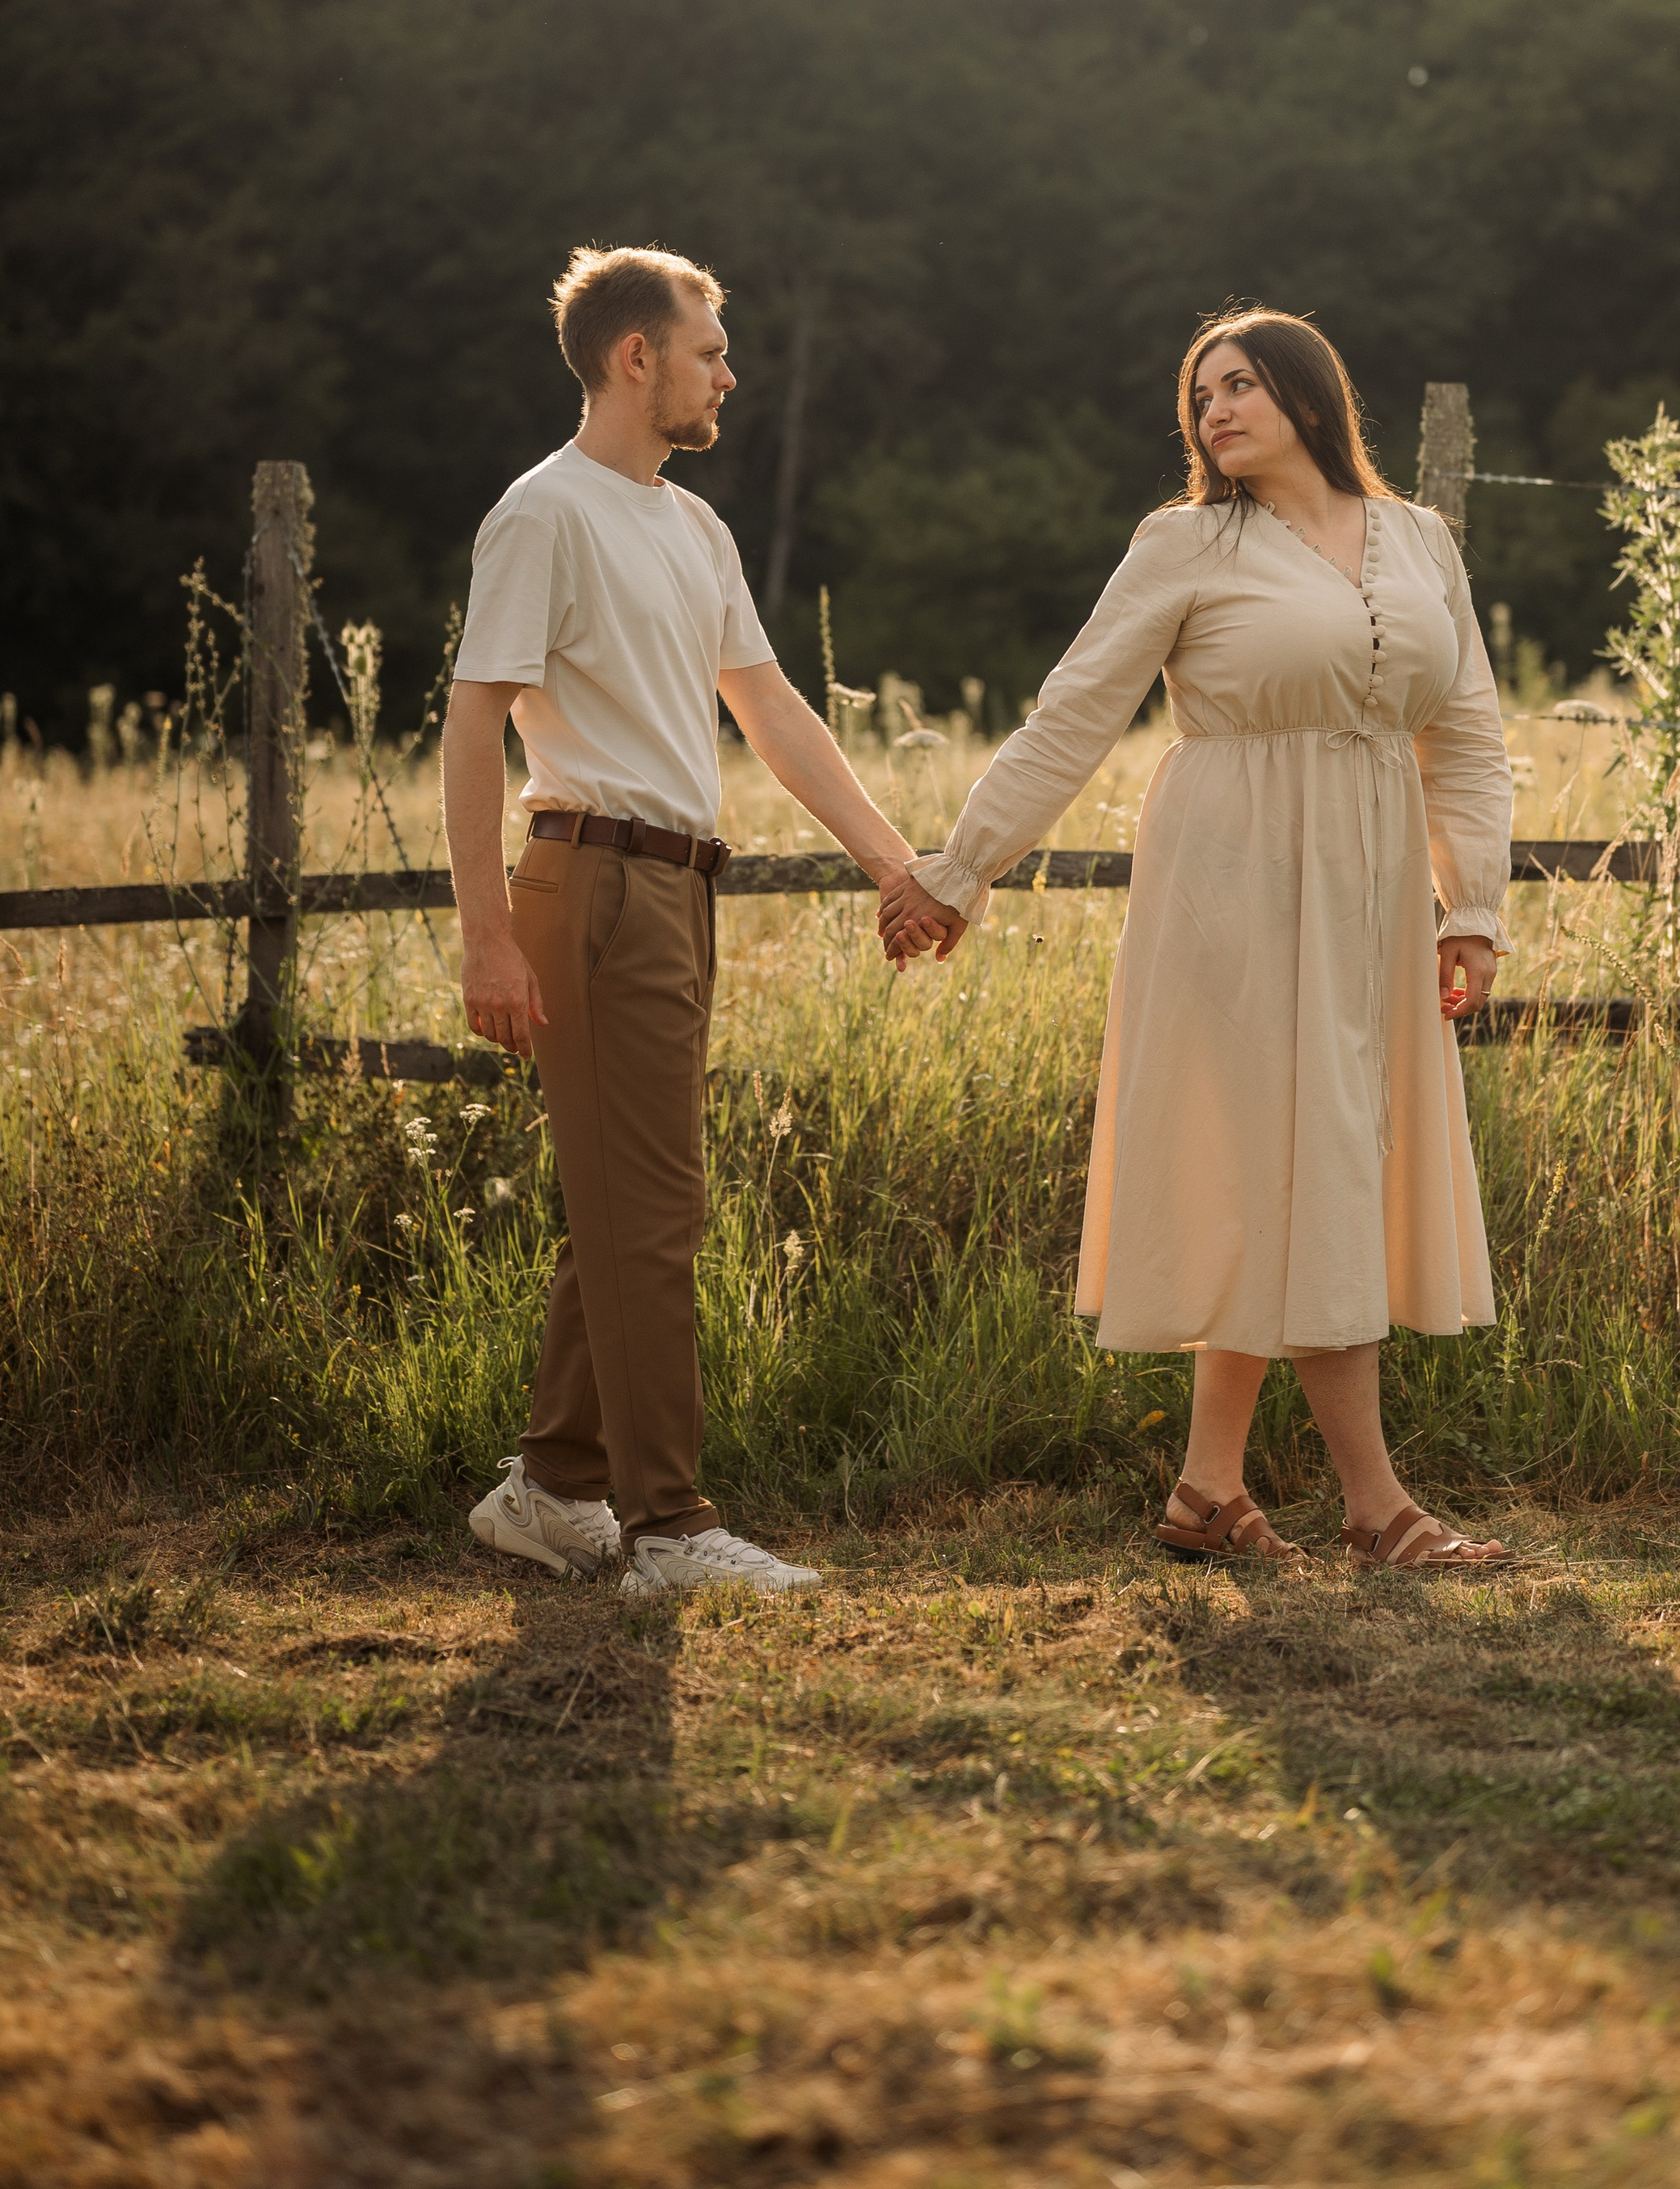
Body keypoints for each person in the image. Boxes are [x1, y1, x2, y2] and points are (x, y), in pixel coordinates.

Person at [878, 310, 1517, 1575]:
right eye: (1199, 396)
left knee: (1289, 1171)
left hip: (1374, 893)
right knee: (1301, 1161)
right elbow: (1072, 717)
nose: (1213, 410)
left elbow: (1471, 734)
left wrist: (1476, 905)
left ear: (1309, 395)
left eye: (1239, 386)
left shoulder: (1421, 541)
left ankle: (1205, 1492)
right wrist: (958, 870)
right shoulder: (1184, 543)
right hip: (1231, 880)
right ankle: (1378, 1505)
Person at [446, 246, 924, 1598]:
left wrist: (897, 866)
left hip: (676, 888)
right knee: (652, 1209)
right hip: (587, 881)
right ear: (635, 357)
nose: (731, 371)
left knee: (631, 1201)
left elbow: (773, 714)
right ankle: (666, 1528)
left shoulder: (694, 526)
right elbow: (474, 723)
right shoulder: (543, 514)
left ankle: (549, 1490)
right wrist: (486, 937)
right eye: (710, 348)